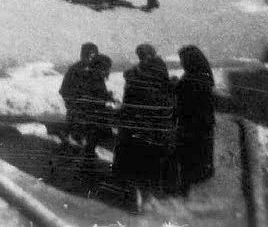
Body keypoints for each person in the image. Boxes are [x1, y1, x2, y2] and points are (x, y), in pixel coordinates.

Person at [116, 43, 176, 214]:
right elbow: (165, 95)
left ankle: (138, 197)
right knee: (152, 162)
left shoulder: (133, 74)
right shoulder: (159, 68)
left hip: (135, 124)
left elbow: (127, 100)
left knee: (136, 161)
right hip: (154, 125)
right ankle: (148, 200)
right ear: (152, 54)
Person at [172, 45, 217, 193]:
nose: (182, 63)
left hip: (192, 122)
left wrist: (174, 85)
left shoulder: (192, 78)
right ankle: (199, 176)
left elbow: (184, 94)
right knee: (200, 152)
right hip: (202, 121)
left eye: (183, 60)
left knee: (188, 153)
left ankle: (185, 185)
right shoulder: (204, 75)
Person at [59, 46, 117, 155]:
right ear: (82, 56)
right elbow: (65, 90)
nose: (92, 60)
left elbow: (100, 90)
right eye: (89, 57)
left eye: (94, 57)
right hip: (77, 106)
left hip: (90, 106)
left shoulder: (95, 70)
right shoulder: (75, 70)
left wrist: (107, 97)